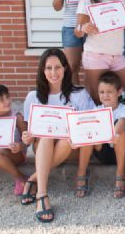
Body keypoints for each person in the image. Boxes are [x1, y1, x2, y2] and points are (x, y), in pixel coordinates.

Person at [20, 48, 95, 223]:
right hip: (43, 147)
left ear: (65, 69)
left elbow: (89, 123)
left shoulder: (79, 94)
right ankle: (42, 195)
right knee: (46, 136)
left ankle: (33, 179)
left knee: (66, 138)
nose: (53, 73)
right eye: (48, 68)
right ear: (42, 71)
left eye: (58, 67)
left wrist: (78, 134)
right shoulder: (33, 97)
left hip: (71, 147)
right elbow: (31, 132)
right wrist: (27, 137)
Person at [77, 71, 125, 199]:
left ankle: (120, 174)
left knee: (120, 133)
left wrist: (112, 134)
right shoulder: (96, 110)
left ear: (119, 92)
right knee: (89, 133)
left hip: (122, 152)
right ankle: (81, 173)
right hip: (102, 150)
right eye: (102, 92)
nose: (105, 95)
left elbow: (121, 124)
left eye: (109, 92)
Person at [51, 0, 89, 84]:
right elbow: (56, 7)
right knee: (73, 66)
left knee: (92, 65)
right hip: (70, 27)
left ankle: (92, 96)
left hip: (89, 27)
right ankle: (75, 94)